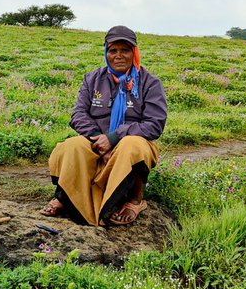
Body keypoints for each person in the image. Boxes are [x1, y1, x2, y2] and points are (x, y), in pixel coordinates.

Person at [41, 25, 167, 226]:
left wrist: (114, 138)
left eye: (125, 50)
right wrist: (99, 139)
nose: (118, 56)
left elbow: (154, 124)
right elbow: (78, 115)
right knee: (71, 146)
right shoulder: (92, 79)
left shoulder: (150, 83)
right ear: (106, 52)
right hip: (96, 141)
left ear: (134, 52)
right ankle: (66, 196)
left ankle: (135, 201)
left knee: (132, 145)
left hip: (129, 144)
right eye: (112, 50)